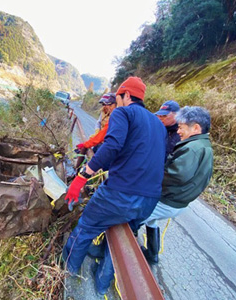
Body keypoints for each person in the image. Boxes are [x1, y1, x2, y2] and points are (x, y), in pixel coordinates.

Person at [62, 77, 167, 295]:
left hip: (121, 194)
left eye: (118, 97)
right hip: (149, 199)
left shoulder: (123, 112)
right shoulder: (159, 124)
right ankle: (101, 285)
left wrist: (83, 175)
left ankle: (67, 271)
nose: (116, 102)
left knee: (86, 227)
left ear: (126, 95)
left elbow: (112, 146)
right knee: (123, 238)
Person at [141, 106, 214, 265]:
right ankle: (152, 254)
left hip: (169, 200)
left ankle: (115, 261)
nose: (179, 131)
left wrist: (148, 176)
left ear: (195, 128)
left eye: (181, 127)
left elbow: (175, 175)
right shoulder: (203, 146)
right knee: (151, 221)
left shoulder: (192, 148)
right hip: (179, 201)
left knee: (131, 217)